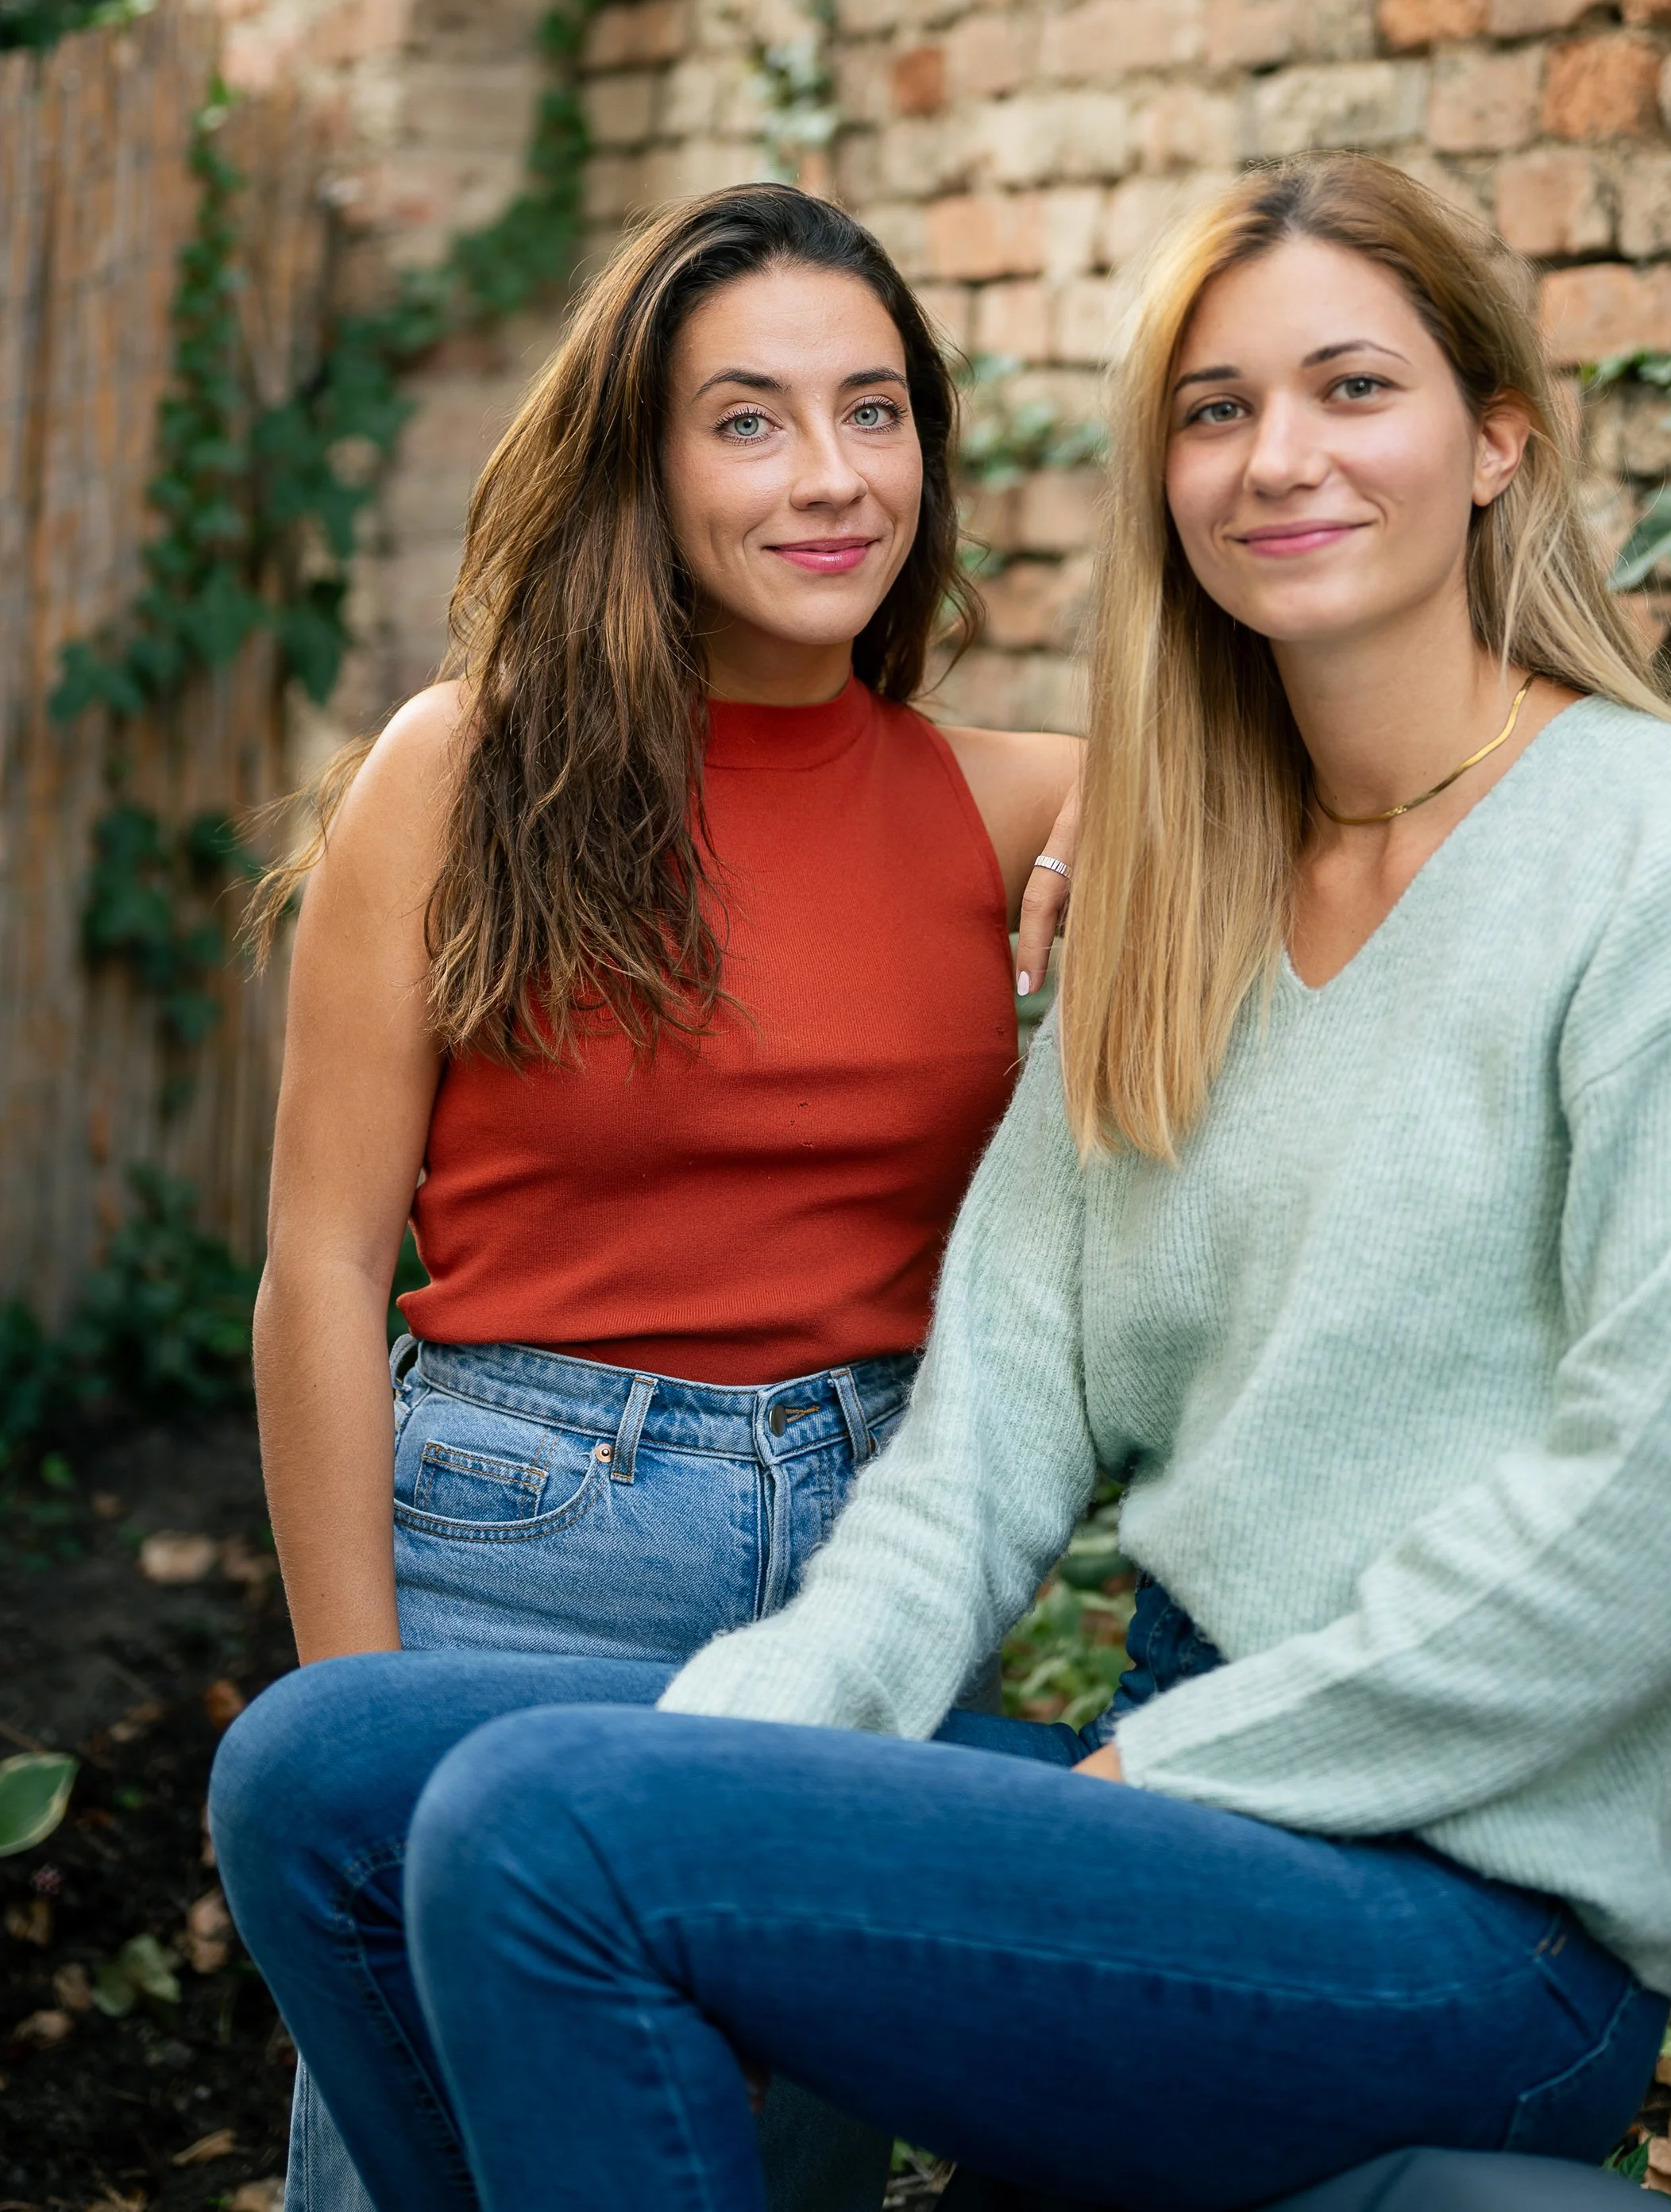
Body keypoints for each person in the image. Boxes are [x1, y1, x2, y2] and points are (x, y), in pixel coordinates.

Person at [214, 155, 1671, 2210]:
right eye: (1214, 407)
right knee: (317, 1763)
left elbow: (1669, 1525)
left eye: (1351, 386)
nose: (1278, 457)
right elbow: (988, 1438)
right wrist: (751, 1734)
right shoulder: (1174, 893)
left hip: (1438, 1862)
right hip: (657, 1561)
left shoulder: (1646, 853)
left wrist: (1159, 1765)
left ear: (1497, 433)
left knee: (542, 1832)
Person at [247, 182, 1079, 2212]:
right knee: (435, 2167)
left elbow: (1399, 792)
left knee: (754, 2179)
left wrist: (1163, 803)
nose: (828, 478)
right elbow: (321, 1264)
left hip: (872, 1586)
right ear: (642, 459)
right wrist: (353, 1717)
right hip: (519, 1556)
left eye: (872, 414)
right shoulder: (464, 773)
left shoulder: (1032, 799)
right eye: (749, 419)